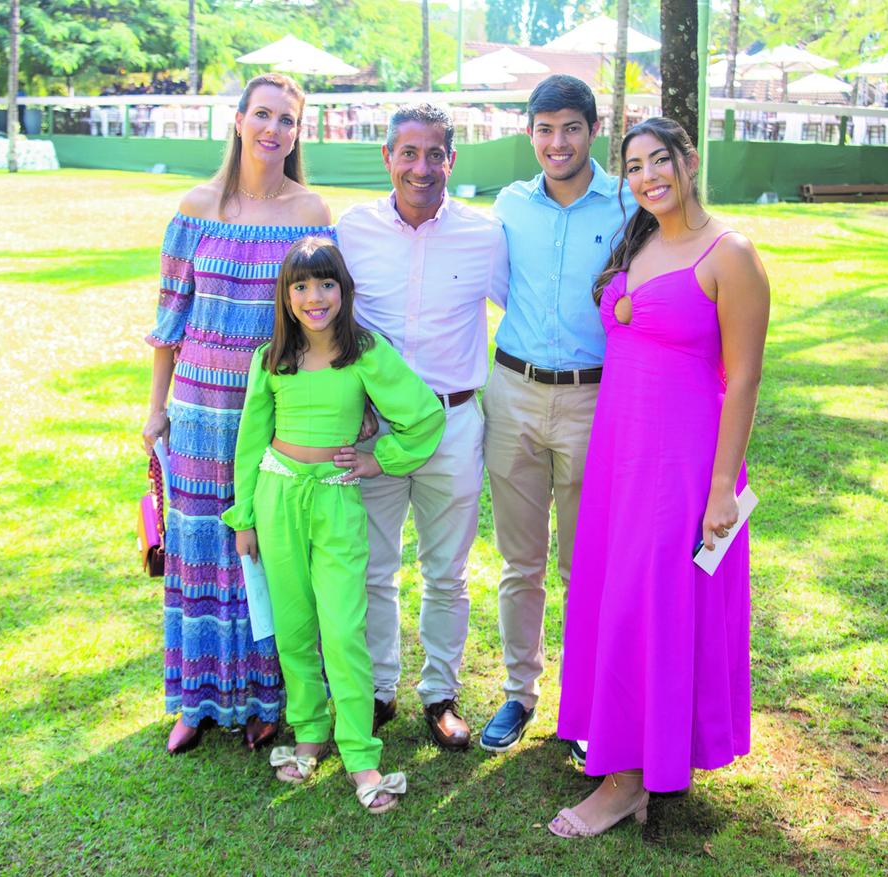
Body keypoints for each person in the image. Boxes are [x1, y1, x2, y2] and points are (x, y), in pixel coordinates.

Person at [551, 117, 770, 838]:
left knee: (650, 608)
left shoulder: (729, 254)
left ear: (691, 159)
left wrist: (717, 490)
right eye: (635, 165)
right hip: (621, 456)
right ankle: (630, 757)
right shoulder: (639, 240)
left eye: (660, 161)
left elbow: (741, 381)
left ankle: (625, 782)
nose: (648, 176)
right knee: (615, 598)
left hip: (682, 464)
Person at [142, 73, 334, 755]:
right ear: (238, 120)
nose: (272, 129)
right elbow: (169, 320)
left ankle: (263, 697)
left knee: (267, 553)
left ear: (297, 131)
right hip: (197, 407)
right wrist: (155, 409)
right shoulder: (196, 207)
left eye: (287, 119)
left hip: (273, 411)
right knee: (200, 553)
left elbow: (325, 316)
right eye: (262, 114)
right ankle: (195, 699)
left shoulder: (311, 210)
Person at [223, 237, 445, 812]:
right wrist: (245, 515)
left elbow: (423, 416)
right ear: (286, 295)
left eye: (326, 284)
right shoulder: (271, 358)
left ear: (344, 290)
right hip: (276, 499)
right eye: (301, 286)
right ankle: (310, 732)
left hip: (337, 501)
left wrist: (380, 459)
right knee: (294, 628)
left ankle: (361, 754)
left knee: (343, 629)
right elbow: (250, 444)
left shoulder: (363, 353)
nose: (314, 297)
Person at [337, 104, 509, 750]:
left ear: (451, 161)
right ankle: (379, 690)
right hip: (375, 430)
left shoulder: (484, 235)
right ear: (387, 158)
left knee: (447, 572)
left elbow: (522, 310)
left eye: (434, 153)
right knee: (374, 568)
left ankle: (440, 691)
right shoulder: (352, 231)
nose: (421, 166)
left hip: (453, 422)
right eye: (408, 153)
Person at [480, 75, 628, 760]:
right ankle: (519, 690)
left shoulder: (629, 205)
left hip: (594, 399)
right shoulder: (509, 204)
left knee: (584, 562)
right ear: (529, 132)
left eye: (569, 127)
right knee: (521, 559)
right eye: (543, 128)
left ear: (592, 130)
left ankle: (587, 706)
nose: (556, 142)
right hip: (511, 392)